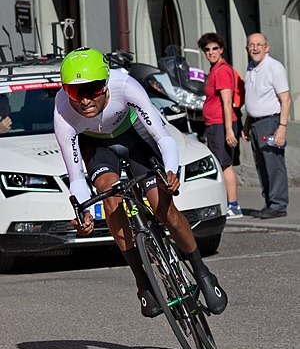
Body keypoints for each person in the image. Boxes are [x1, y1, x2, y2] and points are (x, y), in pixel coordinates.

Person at [54, 47, 228, 318]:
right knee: (110, 197)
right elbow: (75, 174)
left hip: (135, 136)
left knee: (163, 207)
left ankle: (203, 273)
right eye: (75, 92)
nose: (85, 101)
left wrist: (170, 172)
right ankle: (143, 282)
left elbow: (163, 138)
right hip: (97, 145)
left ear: (106, 83)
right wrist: (83, 210)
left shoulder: (125, 86)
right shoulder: (63, 109)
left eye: (92, 90)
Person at [242, 33, 291, 219]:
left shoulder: (274, 68)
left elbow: (286, 100)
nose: (255, 48)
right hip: (255, 124)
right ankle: (270, 203)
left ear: (266, 47)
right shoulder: (251, 68)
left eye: (259, 44)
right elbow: (251, 99)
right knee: (262, 166)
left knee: (273, 165)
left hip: (271, 123)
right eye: (251, 45)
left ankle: (278, 205)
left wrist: (282, 127)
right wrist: (247, 124)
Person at [197, 33, 243, 219]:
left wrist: (229, 130)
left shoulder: (222, 70)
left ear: (221, 49)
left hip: (220, 124)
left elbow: (226, 102)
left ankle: (233, 206)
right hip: (215, 123)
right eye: (207, 49)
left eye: (214, 48)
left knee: (224, 164)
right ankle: (228, 203)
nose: (211, 52)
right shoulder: (214, 69)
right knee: (221, 163)